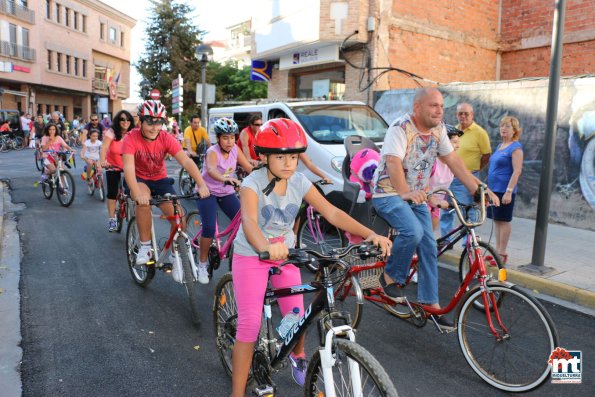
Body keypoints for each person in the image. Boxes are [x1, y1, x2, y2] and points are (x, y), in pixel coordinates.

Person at [230, 118, 392, 396]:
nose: (288, 163)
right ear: (265, 157)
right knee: (249, 326)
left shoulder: (299, 181)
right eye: (280, 156)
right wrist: (265, 247)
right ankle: (236, 392)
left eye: (293, 156)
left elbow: (333, 213)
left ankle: (297, 354)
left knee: (297, 314)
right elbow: (250, 223)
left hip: (287, 255)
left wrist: (369, 234)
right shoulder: (251, 184)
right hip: (253, 255)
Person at [371, 88, 496, 329]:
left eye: (441, 105)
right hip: (388, 194)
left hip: (417, 196)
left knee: (429, 246)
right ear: (417, 108)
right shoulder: (400, 128)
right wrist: (405, 191)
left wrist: (478, 189)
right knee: (413, 232)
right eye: (433, 105)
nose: (439, 110)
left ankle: (431, 304)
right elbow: (393, 162)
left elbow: (454, 162)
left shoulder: (439, 131)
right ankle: (389, 277)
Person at [122, 100, 210, 265]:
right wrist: (137, 194)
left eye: (159, 123)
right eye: (150, 122)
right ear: (140, 121)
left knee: (179, 219)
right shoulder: (130, 138)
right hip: (139, 178)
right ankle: (145, 246)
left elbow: (186, 162)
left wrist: (201, 184)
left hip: (160, 179)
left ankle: (175, 254)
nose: (155, 127)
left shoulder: (165, 137)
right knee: (143, 203)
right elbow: (128, 169)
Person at [194, 118, 253, 284]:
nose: (230, 141)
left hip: (226, 192)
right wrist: (226, 179)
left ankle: (238, 254)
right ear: (218, 138)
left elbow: (248, 167)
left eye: (232, 137)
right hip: (207, 191)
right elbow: (212, 170)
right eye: (225, 138)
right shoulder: (212, 152)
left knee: (245, 220)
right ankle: (202, 264)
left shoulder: (235, 149)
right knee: (210, 227)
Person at [440, 102, 491, 237]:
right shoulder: (453, 131)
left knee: (469, 210)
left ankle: (468, 244)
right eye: (460, 114)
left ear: (472, 115)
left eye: (466, 113)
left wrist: (474, 169)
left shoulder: (480, 133)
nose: (463, 116)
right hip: (449, 175)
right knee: (447, 209)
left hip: (467, 176)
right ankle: (446, 240)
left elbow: (486, 155)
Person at [487, 116, 524, 265]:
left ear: (514, 130)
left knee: (504, 221)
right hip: (494, 190)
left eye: (508, 126)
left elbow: (517, 171)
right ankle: (497, 251)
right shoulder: (499, 146)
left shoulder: (516, 148)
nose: (503, 128)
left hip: (504, 191)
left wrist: (509, 191)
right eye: (502, 126)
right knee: (497, 221)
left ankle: (502, 253)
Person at [100, 110, 134, 232]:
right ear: (117, 121)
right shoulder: (112, 132)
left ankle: (133, 216)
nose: (125, 122)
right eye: (122, 119)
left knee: (132, 191)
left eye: (128, 119)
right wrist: (103, 161)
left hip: (128, 166)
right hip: (112, 165)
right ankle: (112, 219)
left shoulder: (133, 133)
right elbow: (104, 147)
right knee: (112, 192)